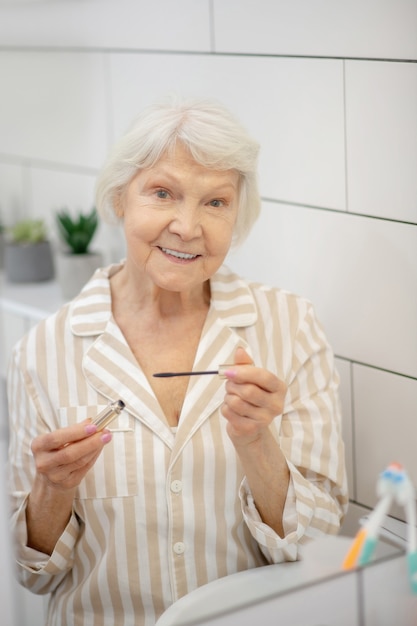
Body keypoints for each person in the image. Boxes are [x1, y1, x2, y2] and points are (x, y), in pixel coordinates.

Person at [7, 96, 348, 626]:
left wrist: (258, 445)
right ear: (121, 197)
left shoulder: (290, 328)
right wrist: (53, 489)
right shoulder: (43, 351)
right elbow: (34, 574)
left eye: (216, 203)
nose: (188, 226)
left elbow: (320, 545)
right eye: (162, 193)